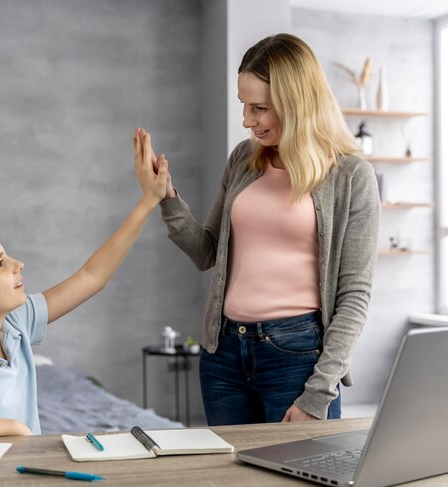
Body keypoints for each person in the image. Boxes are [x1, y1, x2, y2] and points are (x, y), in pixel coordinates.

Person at [140, 33, 380, 425]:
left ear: (296, 103)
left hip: (298, 358)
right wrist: (166, 197)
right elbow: (206, 251)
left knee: (297, 483)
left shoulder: (351, 175)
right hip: (224, 355)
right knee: (232, 482)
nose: (247, 120)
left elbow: (354, 295)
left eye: (260, 108)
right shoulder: (243, 160)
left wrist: (319, 393)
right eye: (244, 106)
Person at [0, 130, 167, 443]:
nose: (17, 264)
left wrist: (148, 202)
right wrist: (9, 428)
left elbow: (92, 276)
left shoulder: (15, 322)